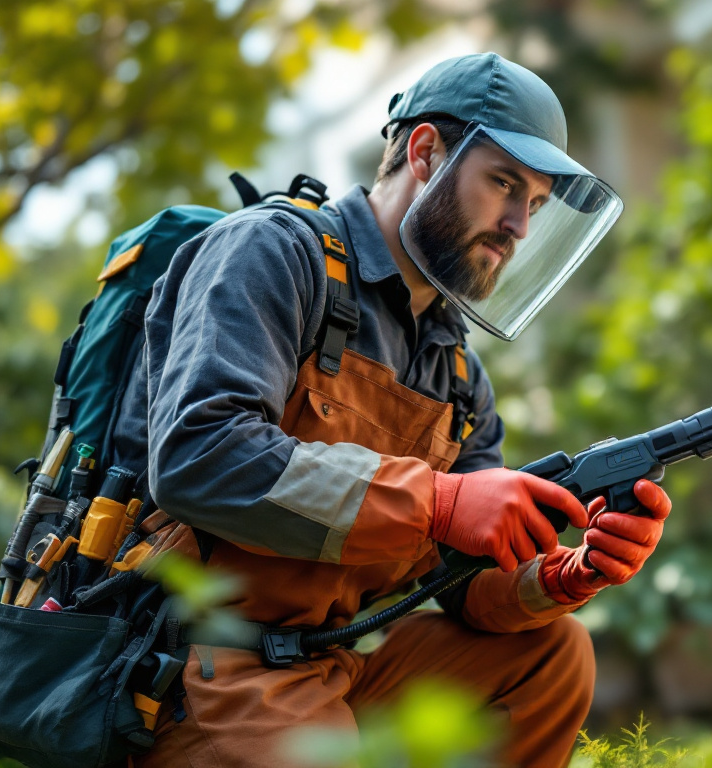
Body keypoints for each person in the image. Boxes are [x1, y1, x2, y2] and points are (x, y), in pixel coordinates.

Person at [115, 52, 670, 768]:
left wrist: (563, 575)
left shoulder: (457, 368)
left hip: (331, 666)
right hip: (197, 669)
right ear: (426, 152)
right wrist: (438, 501)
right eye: (503, 183)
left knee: (552, 653)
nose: (518, 226)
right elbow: (200, 458)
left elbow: (465, 586)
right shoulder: (271, 254)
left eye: (533, 203)